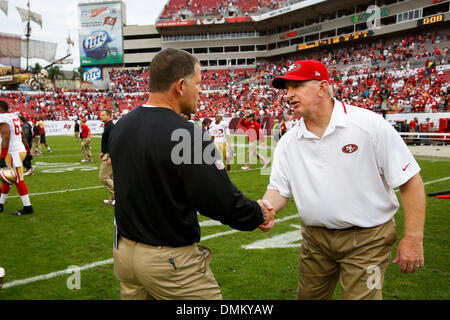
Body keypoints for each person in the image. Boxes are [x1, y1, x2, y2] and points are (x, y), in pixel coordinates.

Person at [109, 48, 275, 300]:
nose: (200, 90)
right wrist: (257, 213)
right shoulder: (186, 133)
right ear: (180, 86)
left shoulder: (122, 125)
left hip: (125, 252)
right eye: (197, 83)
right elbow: (219, 199)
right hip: (168, 260)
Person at [264, 60, 426, 300]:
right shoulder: (289, 141)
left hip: (368, 239)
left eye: (297, 86)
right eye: (286, 88)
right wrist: (265, 208)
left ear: (322, 87)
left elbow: (410, 180)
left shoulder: (367, 125)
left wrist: (413, 238)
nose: (288, 95)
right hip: (315, 240)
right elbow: (279, 188)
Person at [0, 100, 34, 215]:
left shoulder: (3, 117)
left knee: (18, 180)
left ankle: (28, 207)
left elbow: (6, 138)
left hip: (13, 152)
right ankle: (0, 204)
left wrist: (2, 157)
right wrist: (28, 151)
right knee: (7, 178)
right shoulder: (14, 116)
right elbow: (22, 135)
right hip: (20, 150)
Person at [99, 109, 115, 205]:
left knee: (103, 177)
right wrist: (103, 151)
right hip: (107, 153)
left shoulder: (110, 127)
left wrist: (110, 156)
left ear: (109, 115)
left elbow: (114, 142)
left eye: (103, 115)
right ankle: (114, 197)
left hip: (110, 155)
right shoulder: (107, 126)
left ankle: (118, 195)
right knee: (112, 177)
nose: (101, 116)